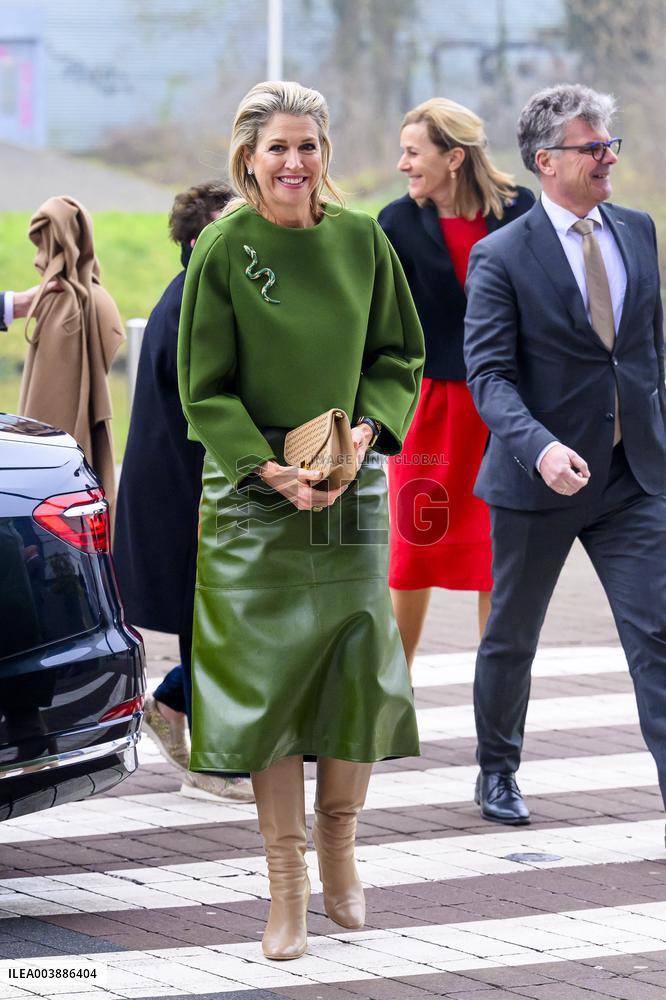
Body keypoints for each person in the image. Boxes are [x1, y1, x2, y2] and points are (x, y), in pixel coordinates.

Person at [178, 80, 424, 961]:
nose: (294, 164)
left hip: (349, 486)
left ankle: (341, 848)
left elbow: (401, 353)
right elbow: (199, 388)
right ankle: (286, 887)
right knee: (268, 687)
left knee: (355, 670)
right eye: (277, 148)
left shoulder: (364, 241)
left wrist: (361, 432)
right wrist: (268, 469)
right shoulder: (222, 248)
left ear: (326, 152)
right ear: (248, 155)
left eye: (308, 147)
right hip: (251, 500)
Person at [464, 83, 666, 827]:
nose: (609, 156)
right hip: (536, 478)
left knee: (660, 632)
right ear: (547, 162)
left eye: (611, 143)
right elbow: (489, 375)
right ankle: (498, 771)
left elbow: (648, 354)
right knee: (512, 636)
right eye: (593, 147)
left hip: (633, 477)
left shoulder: (638, 230)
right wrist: (540, 448)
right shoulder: (502, 256)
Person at [378, 99, 534, 671]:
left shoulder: (520, 211)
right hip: (430, 409)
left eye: (414, 152)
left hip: (506, 413)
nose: (403, 164)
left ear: (455, 158)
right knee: (414, 549)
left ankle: (494, 695)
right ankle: (393, 691)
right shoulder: (395, 223)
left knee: (500, 554)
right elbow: (379, 323)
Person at [113, 182, 255, 803]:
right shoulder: (197, 301)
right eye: (231, 227)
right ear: (200, 240)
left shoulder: (204, 292)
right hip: (187, 490)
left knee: (221, 616)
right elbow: (203, 416)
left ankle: (172, 703)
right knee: (216, 617)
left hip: (189, 484)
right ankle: (212, 767)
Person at [17, 196, 124, 509]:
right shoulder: (80, 300)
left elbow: (59, 407)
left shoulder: (72, 306)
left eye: (43, 241)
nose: (39, 256)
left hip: (58, 461)